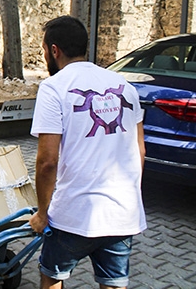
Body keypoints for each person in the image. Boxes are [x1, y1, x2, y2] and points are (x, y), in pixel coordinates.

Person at [29, 16, 147, 289]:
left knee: (52, 277)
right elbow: (140, 150)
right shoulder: (125, 86)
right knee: (114, 283)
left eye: (44, 50)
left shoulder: (54, 88)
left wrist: (43, 213)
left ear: (54, 50)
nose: (45, 55)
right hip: (122, 214)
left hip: (75, 213)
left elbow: (47, 161)